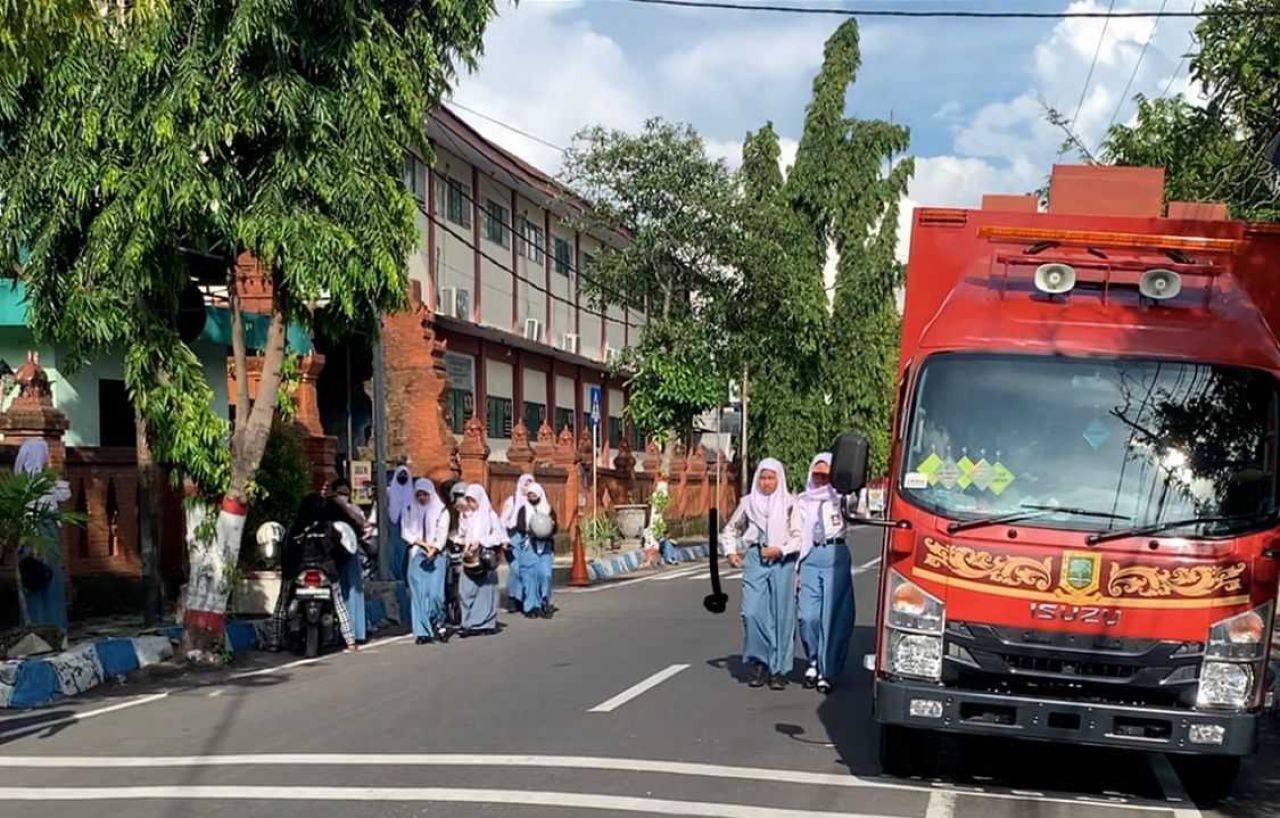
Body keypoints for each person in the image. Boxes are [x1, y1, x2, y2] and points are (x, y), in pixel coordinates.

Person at [722, 457, 803, 690]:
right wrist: (730, 551)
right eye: (763, 478)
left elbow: (798, 537)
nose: (766, 483)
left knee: (781, 615)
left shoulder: (790, 503)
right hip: (756, 558)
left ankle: (779, 669)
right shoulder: (748, 503)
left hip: (782, 561)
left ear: (779, 478)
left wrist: (781, 549)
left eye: (771, 478)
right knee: (752, 612)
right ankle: (760, 662)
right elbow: (730, 528)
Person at [268, 493, 357, 652]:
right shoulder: (329, 527)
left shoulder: (295, 527)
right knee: (339, 604)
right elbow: (338, 551)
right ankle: (350, 641)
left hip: (298, 570)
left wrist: (287, 570)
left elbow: (287, 551)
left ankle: (274, 641)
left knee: (282, 604)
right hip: (326, 570)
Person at [797, 453, 853, 694]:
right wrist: (796, 567)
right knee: (807, 616)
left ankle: (825, 671)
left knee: (832, 616)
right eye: (817, 475)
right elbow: (796, 534)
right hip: (809, 557)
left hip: (835, 555)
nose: (820, 480)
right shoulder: (801, 501)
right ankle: (812, 659)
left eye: (826, 476)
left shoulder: (842, 499)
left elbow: (857, 506)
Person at [13, 439, 71, 631]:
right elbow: (65, 492)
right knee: (47, 581)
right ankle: (54, 630)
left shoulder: (19, 484)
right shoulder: (43, 483)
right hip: (43, 534)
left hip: (28, 536)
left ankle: (35, 629)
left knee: (34, 581)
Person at [401, 478, 450, 644]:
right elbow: (406, 532)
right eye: (419, 494)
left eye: (425, 494)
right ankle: (422, 631)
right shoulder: (409, 509)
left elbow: (442, 534)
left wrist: (433, 549)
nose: (422, 498)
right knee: (418, 595)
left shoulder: (442, 511)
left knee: (436, 595)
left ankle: (439, 623)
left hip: (437, 555)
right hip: (416, 553)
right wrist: (421, 544)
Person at [456, 484, 506, 635]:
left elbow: (499, 536)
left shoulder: (490, 516)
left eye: (473, 500)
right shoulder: (467, 516)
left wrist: (482, 541)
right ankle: (467, 621)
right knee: (465, 590)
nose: (471, 504)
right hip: (469, 557)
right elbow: (462, 533)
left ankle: (484, 623)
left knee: (485, 591)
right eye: (468, 500)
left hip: (484, 556)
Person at [327, 479, 368, 644]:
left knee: (353, 592)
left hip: (350, 554)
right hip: (333, 555)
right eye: (340, 493)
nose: (343, 496)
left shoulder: (353, 509)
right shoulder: (328, 509)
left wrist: (345, 508)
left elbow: (361, 524)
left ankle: (357, 632)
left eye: (346, 493)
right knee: (337, 593)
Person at [513, 481, 558, 619]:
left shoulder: (548, 509)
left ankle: (544, 600)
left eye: (534, 494)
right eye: (529, 494)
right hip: (529, 546)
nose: (531, 497)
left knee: (545, 574)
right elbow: (519, 526)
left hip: (545, 546)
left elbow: (555, 527)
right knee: (529, 576)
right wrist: (529, 529)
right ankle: (531, 606)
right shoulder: (524, 509)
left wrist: (549, 528)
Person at [500, 473, 535, 614]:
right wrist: (504, 539)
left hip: (527, 539)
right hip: (512, 538)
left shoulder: (534, 501)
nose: (528, 487)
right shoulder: (512, 501)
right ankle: (512, 597)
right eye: (526, 484)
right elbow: (502, 521)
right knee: (516, 569)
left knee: (526, 569)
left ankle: (522, 598)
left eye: (530, 484)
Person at [386, 464, 415, 581]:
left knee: (405, 553)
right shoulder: (388, 491)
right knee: (392, 552)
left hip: (408, 525)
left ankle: (403, 577)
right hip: (393, 524)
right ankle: (394, 575)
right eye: (400, 474)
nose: (403, 476)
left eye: (405, 474)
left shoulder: (413, 492)